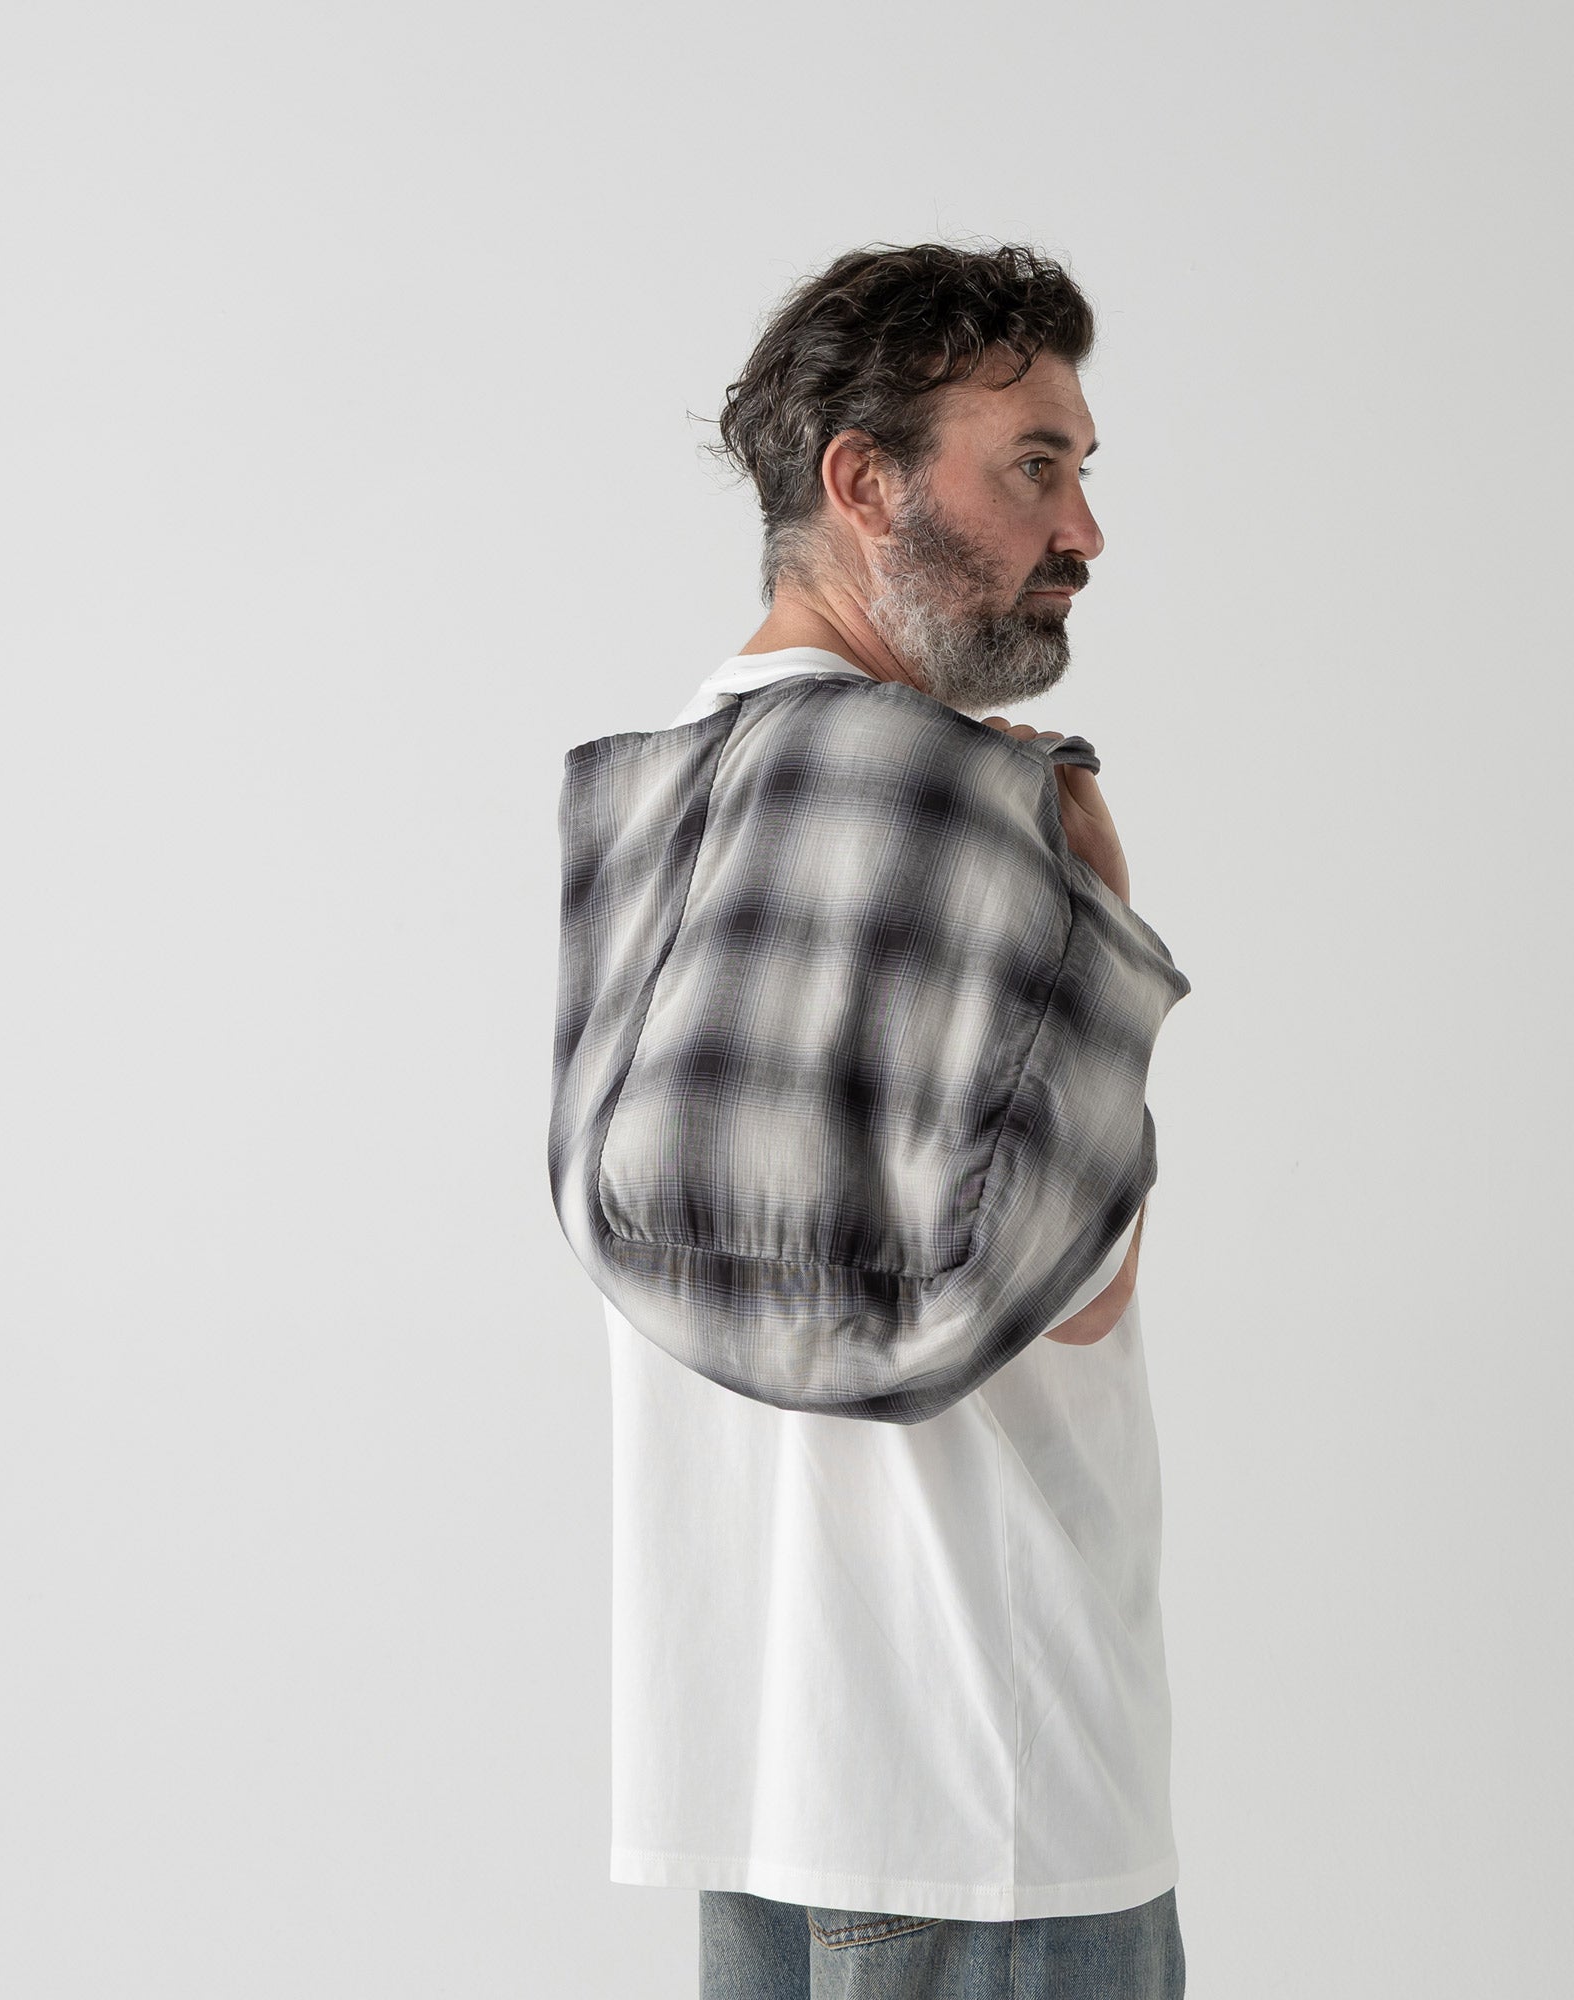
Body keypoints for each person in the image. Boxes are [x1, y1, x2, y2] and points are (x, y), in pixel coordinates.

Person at [597, 243, 1187, 1997]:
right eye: (1034, 465)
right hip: (982, 1774)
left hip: (762, 1760)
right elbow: (1068, 1288)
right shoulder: (955, 798)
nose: (1083, 531)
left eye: (1081, 471)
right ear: (865, 483)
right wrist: (1102, 915)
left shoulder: (664, 795)